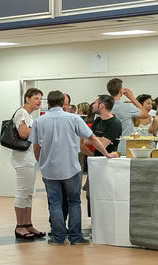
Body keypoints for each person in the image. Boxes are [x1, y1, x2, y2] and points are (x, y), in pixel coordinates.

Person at [32, 91, 114, 246]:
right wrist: (106, 154)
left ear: (48, 102)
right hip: (71, 168)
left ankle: (58, 238)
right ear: (64, 103)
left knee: (55, 202)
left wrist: (41, 162)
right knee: (74, 202)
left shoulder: (39, 121)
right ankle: (76, 237)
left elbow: (36, 147)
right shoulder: (74, 118)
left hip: (49, 169)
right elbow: (92, 138)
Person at [10, 88, 44, 241]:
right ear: (27, 98)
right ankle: (19, 226)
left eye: (40, 99)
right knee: (22, 191)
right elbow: (23, 133)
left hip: (30, 158)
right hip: (22, 159)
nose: (39, 101)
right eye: (36, 98)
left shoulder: (29, 115)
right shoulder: (21, 113)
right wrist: (40, 129)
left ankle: (28, 224)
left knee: (29, 193)